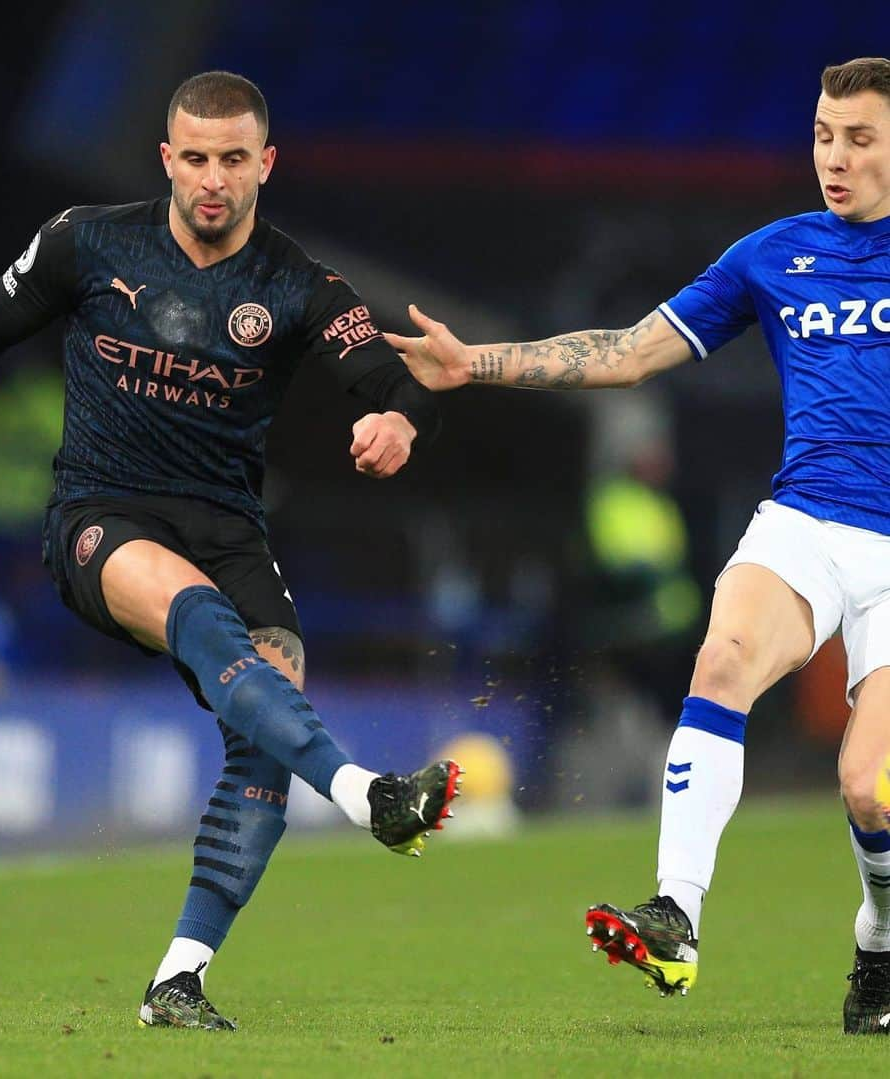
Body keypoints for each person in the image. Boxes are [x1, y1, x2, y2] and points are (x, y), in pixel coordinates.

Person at [0, 71, 462, 1032]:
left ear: (266, 162)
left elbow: (397, 381)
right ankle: (360, 792)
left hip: (228, 527)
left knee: (272, 711)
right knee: (204, 615)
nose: (213, 179)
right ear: (166, 160)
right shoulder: (86, 240)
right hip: (100, 515)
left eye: (234, 158)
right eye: (195, 158)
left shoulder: (297, 284)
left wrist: (398, 421)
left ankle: (177, 979)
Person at [386, 56, 890, 1035]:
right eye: (824, 135)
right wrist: (473, 363)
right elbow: (623, 351)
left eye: (860, 137)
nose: (834, 156)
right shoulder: (773, 255)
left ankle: (878, 937)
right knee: (724, 655)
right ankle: (677, 913)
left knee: (869, 784)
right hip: (805, 520)